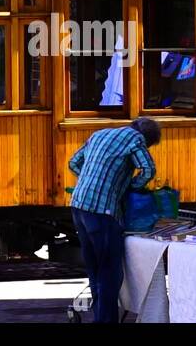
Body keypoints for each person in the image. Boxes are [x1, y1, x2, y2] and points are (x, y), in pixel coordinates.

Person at [68, 117, 160, 323]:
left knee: (95, 269)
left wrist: (90, 180)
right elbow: (148, 170)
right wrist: (130, 187)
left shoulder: (99, 134)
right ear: (148, 138)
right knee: (109, 273)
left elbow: (73, 163)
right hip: (102, 211)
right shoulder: (136, 139)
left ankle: (99, 318)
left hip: (78, 205)